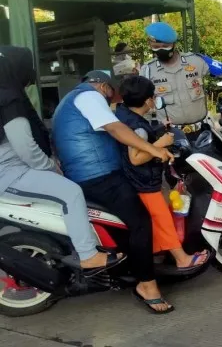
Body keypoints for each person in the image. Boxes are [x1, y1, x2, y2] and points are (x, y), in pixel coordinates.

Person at [52, 70, 176, 314]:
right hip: (99, 176)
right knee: (141, 222)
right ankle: (147, 287)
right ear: (102, 86)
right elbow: (117, 129)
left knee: (127, 221)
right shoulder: (90, 96)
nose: (114, 95)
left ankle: (131, 269)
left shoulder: (70, 101)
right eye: (112, 89)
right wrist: (154, 150)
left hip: (86, 174)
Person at [0, 46, 124, 272]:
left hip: (11, 167)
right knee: (70, 192)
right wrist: (50, 168)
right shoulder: (9, 99)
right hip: (9, 171)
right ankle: (88, 255)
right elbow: (25, 146)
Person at [115, 75, 209, 269]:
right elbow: (136, 158)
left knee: (158, 218)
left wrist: (156, 130)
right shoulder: (138, 127)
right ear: (149, 100)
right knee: (163, 220)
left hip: (136, 180)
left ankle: (157, 254)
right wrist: (161, 143)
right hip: (144, 183)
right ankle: (182, 259)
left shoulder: (124, 115)